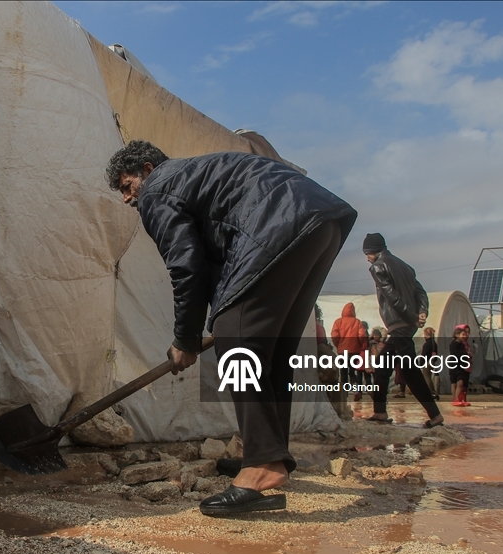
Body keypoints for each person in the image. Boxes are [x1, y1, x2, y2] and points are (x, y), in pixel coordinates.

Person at [106, 140, 357, 516]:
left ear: (145, 167)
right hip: (321, 220)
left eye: (127, 187)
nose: (128, 199)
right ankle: (268, 453)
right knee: (271, 352)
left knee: (234, 336)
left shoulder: (158, 187)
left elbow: (185, 266)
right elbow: (211, 269)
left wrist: (185, 339)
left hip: (279, 223)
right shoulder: (197, 174)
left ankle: (262, 467)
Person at [361, 233, 443, 427]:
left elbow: (393, 297)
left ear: (373, 251)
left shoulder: (378, 267)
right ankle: (379, 412)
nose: (367, 258)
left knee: (410, 372)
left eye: (367, 253)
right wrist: (422, 311)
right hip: (405, 324)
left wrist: (411, 316)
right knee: (382, 369)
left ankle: (435, 415)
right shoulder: (405, 266)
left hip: (399, 323)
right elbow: (420, 292)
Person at [330, 302, 368, 387]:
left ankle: (344, 389)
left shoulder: (338, 322)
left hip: (342, 351)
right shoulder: (357, 322)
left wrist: (338, 345)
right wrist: (359, 344)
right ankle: (355, 386)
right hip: (354, 350)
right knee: (352, 370)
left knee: (343, 370)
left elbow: (334, 335)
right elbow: (362, 335)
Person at [448, 325, 471, 406]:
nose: (465, 336)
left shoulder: (463, 344)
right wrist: (466, 354)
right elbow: (455, 353)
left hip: (461, 365)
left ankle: (458, 398)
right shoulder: (453, 344)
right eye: (463, 334)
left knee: (460, 382)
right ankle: (455, 398)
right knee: (454, 383)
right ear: (457, 335)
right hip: (455, 365)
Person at [420, 327, 440, 401]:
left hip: (427, 362)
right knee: (429, 376)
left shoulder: (427, 344)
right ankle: (433, 391)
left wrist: (421, 362)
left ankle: (431, 392)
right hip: (432, 361)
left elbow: (424, 354)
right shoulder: (434, 343)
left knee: (427, 377)